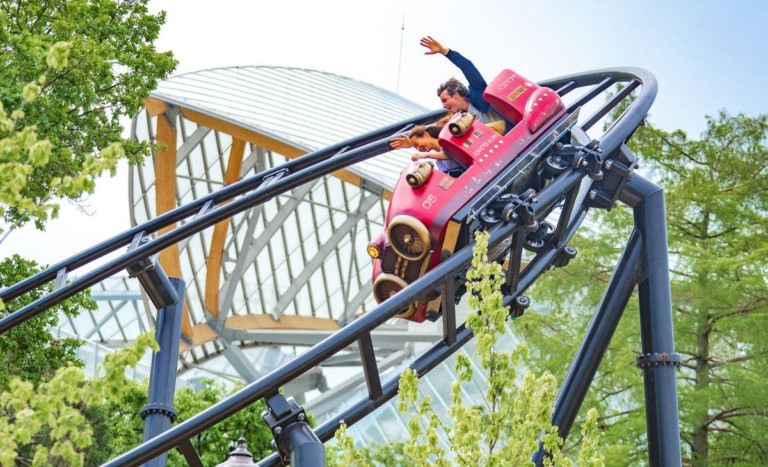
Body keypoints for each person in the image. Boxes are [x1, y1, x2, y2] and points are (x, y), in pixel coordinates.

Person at [420, 36, 506, 125]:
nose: (444, 106)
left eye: (444, 100)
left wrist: (446, 52)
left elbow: (468, 68)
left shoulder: (477, 97)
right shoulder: (461, 121)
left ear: (456, 94)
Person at [390, 115, 505, 177]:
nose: (418, 148)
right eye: (416, 147)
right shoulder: (439, 162)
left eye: (417, 144)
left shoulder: (449, 136)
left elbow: (453, 152)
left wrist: (426, 154)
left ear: (425, 134)